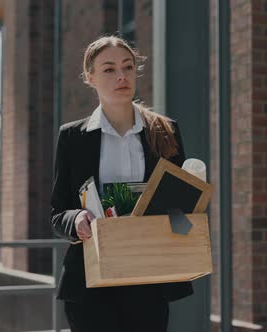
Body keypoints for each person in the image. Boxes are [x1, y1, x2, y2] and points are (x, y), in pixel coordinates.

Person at [50, 36, 192, 332]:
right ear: (90, 77)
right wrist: (76, 218)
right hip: (90, 283)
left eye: (128, 67)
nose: (122, 76)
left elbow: (183, 211)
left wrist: (183, 220)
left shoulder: (166, 131)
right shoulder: (72, 138)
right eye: (109, 69)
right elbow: (57, 213)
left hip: (149, 281)